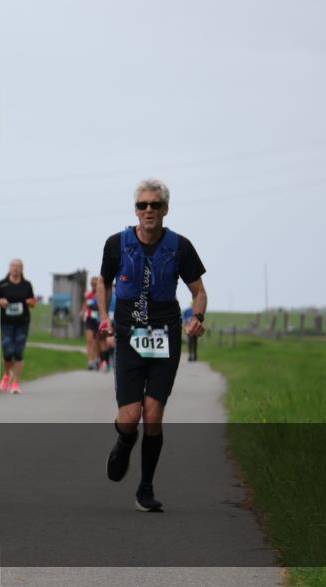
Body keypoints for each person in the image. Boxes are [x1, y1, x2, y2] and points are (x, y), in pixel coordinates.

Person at [97, 178, 207, 512]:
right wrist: (104, 316)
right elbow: (104, 282)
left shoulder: (180, 246)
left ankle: (145, 488)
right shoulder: (116, 244)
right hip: (130, 334)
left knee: (154, 414)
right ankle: (124, 441)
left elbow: (198, 291)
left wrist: (197, 317)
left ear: (165, 209)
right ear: (135, 209)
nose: (149, 210)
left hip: (165, 334)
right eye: (143, 205)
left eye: (155, 205)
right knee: (130, 418)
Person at [0, 259, 36, 394]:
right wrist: (0, 301)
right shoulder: (2, 284)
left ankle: (16, 382)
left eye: (18, 266)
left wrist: (30, 301)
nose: (15, 268)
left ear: (22, 269)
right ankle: (7, 375)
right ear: (9, 268)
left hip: (22, 323)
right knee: (7, 352)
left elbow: (34, 302)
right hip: (7, 322)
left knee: (18, 352)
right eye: (13, 266)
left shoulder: (26, 285)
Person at [81, 276, 101, 370]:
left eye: (95, 284)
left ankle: (97, 359)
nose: (93, 286)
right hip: (89, 319)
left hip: (98, 320)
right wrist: (82, 312)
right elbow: (85, 304)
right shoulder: (88, 294)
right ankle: (90, 361)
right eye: (92, 284)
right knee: (89, 340)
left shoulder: (101, 294)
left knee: (97, 341)